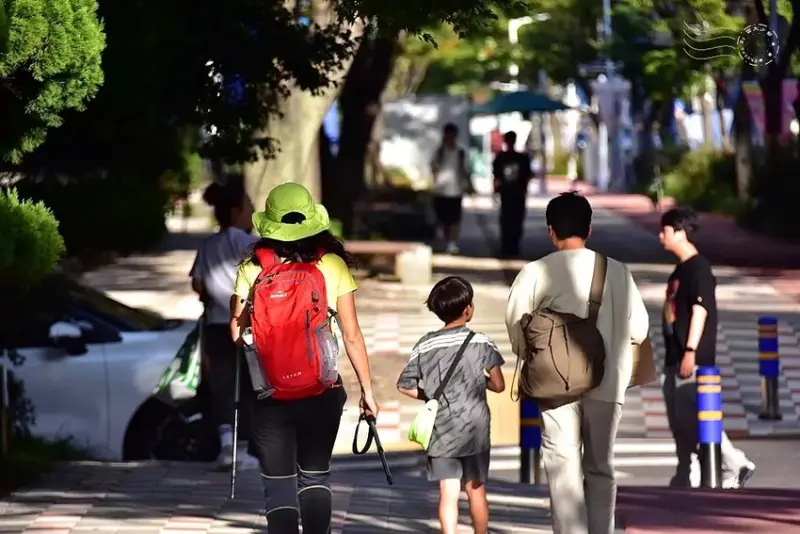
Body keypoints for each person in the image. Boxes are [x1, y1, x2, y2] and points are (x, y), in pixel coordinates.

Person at [229, 182, 378, 534]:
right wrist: (367, 392)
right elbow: (352, 335)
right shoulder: (333, 265)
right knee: (314, 476)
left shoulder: (253, 268)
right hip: (321, 391)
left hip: (269, 394)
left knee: (278, 485)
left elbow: (236, 334)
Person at [505, 192, 650, 534]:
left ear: (550, 230)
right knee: (601, 468)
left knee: (562, 466)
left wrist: (534, 358)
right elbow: (640, 329)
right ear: (589, 228)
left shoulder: (535, 272)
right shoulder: (616, 271)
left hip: (555, 385)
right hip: (607, 383)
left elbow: (516, 329)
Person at [396, 276, 505, 534]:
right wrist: (480, 383)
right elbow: (499, 385)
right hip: (475, 428)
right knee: (475, 488)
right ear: (468, 309)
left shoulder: (425, 344)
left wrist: (430, 395)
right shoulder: (482, 343)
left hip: (442, 428)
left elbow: (404, 384)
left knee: (448, 490)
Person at [658, 207, 756, 489]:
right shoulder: (680, 269)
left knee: (695, 417)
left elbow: (700, 311)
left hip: (692, 357)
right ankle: (686, 472)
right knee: (681, 419)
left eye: (664, 231)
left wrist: (690, 351)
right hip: (674, 355)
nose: (660, 237)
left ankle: (734, 463)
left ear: (680, 233)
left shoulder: (698, 269)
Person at [189, 177, 260, 470]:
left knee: (222, 385)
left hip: (217, 324)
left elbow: (198, 286)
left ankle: (226, 446)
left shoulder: (207, 246)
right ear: (235, 211)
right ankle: (245, 450)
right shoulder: (250, 244)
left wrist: (216, 297)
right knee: (250, 385)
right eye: (247, 207)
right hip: (250, 326)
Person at [431, 122, 473, 255]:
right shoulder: (439, 152)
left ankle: (452, 243)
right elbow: (433, 167)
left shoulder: (460, 152)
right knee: (443, 220)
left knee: (455, 219)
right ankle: (447, 239)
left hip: (456, 190)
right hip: (441, 190)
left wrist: (468, 185)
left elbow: (465, 170)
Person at [492, 131, 533, 258]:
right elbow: (527, 176)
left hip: (507, 193)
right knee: (516, 219)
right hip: (518, 193)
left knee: (506, 219)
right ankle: (513, 246)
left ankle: (507, 246)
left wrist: (495, 191)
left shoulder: (501, 157)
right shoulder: (522, 157)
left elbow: (496, 177)